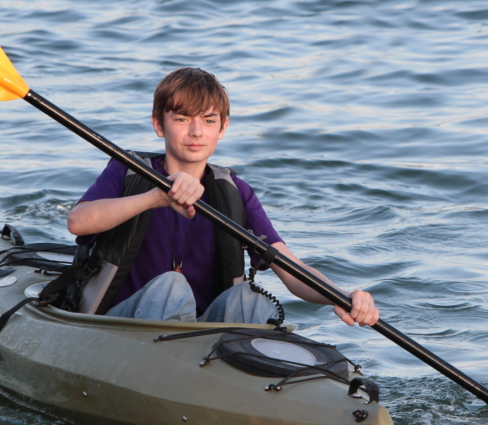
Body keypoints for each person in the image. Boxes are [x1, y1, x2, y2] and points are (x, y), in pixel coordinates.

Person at [67, 67, 379, 327]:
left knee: (248, 298)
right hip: (120, 326)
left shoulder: (234, 191)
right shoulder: (129, 171)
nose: (196, 132)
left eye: (208, 120)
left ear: (223, 127)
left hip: (201, 332)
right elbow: (78, 222)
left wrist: (344, 296)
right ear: (158, 124)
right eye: (181, 119)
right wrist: (155, 197)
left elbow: (290, 269)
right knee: (171, 286)